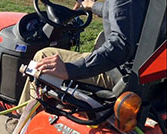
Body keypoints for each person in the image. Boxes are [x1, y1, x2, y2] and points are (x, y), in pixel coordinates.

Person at [17, 0, 149, 108]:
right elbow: (122, 12)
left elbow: (120, 46)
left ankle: (20, 124)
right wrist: (92, 6)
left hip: (119, 73)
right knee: (100, 40)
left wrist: (71, 69)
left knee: (43, 56)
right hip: (143, 73)